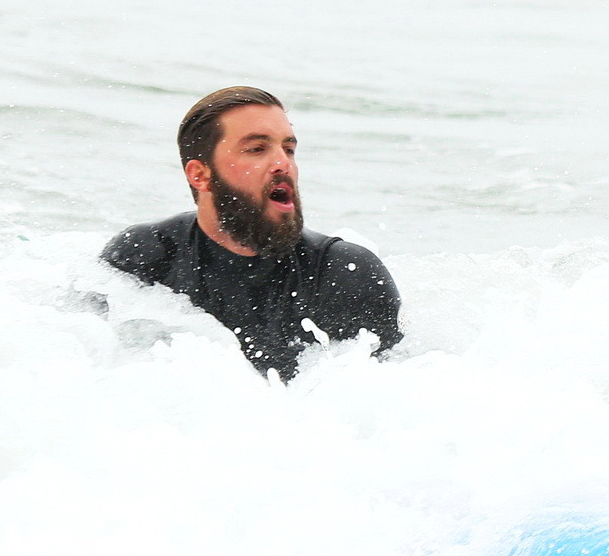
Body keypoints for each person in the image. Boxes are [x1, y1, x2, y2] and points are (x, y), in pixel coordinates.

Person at [100, 86, 403, 379]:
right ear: (200, 175)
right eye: (257, 149)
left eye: (289, 149)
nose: (283, 163)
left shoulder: (345, 274)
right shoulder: (145, 257)